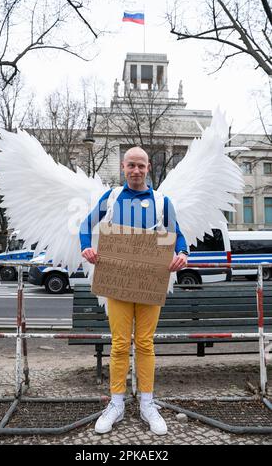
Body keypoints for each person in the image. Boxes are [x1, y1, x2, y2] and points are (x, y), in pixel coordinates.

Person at [80, 147, 188, 436]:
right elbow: (84, 226)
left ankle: (147, 403)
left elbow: (180, 237)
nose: (136, 171)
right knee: (118, 343)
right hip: (118, 281)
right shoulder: (112, 198)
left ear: (148, 167)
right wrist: (86, 247)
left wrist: (182, 254)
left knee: (144, 343)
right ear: (123, 166)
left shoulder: (162, 201)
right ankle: (116, 403)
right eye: (131, 166)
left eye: (141, 165)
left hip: (151, 279)